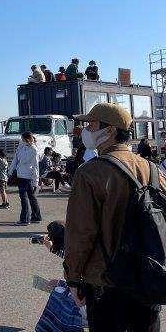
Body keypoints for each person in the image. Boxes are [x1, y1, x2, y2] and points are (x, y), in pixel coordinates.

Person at [64, 103, 166, 332]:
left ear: (110, 130)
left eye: (91, 125)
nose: (85, 130)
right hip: (149, 276)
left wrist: (73, 276)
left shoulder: (90, 172)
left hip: (106, 280)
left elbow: (81, 232)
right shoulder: (152, 168)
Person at [8, 132, 43, 226]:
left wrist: (36, 181)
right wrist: (10, 170)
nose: (21, 140)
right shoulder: (21, 146)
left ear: (26, 139)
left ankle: (25, 219)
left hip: (28, 176)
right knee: (31, 197)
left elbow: (36, 166)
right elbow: (15, 159)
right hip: (21, 175)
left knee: (25, 198)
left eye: (22, 138)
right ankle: (36, 217)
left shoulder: (34, 149)